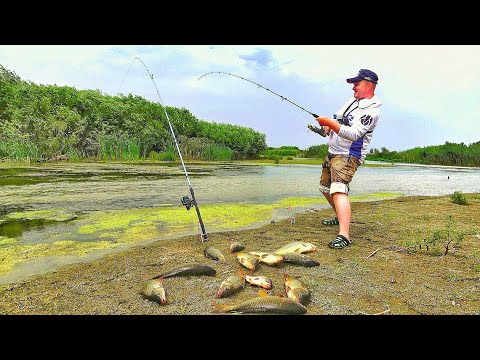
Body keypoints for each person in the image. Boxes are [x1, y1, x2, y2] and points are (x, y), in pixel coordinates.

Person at [315, 69, 382, 249]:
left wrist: (329, 123)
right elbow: (339, 120)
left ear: (368, 85)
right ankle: (339, 216)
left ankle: (344, 235)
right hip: (333, 151)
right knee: (324, 188)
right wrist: (327, 127)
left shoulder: (372, 110)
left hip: (349, 155)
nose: (353, 87)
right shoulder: (352, 101)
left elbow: (353, 134)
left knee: (338, 190)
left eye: (356, 83)